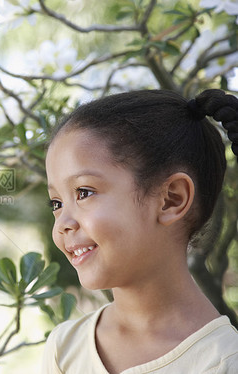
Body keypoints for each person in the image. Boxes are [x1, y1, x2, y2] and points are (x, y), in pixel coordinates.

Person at [42, 89, 238, 373]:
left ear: (171, 199)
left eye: (84, 192)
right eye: (57, 203)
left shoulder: (224, 362)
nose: (62, 224)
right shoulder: (65, 347)